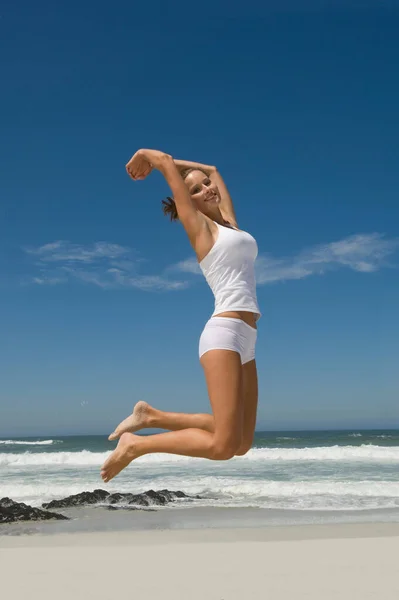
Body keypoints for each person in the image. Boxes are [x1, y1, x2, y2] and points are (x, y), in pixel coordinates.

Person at [100, 149, 261, 482]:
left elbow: (214, 168)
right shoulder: (201, 229)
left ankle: (151, 415)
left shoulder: (230, 224)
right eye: (197, 190)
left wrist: (199, 171)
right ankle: (136, 445)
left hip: (249, 338)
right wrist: (147, 156)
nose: (207, 189)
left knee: (241, 443)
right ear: (189, 204)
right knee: (221, 445)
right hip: (224, 332)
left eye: (206, 185)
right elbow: (162, 160)